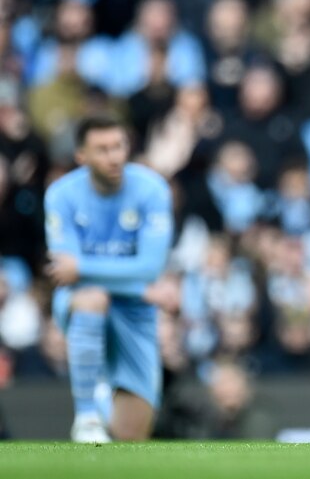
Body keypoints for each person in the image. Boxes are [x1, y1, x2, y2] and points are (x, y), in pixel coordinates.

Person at [44, 115, 173, 443]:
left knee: (130, 436)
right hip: (86, 301)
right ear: (81, 156)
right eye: (101, 149)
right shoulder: (61, 195)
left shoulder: (152, 189)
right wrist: (142, 286)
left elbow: (150, 268)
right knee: (92, 298)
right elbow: (65, 276)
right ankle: (87, 414)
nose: (114, 156)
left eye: (118, 146)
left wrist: (84, 267)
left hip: (135, 308)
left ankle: (101, 395)